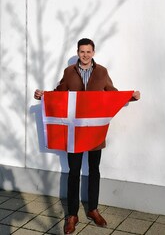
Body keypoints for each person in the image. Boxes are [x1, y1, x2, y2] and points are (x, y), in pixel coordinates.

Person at [34, 38, 140, 234]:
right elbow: (59, 94)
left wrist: (130, 97)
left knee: (94, 170)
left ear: (94, 52)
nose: (85, 55)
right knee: (74, 172)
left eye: (88, 51)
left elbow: (112, 94)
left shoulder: (102, 72)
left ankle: (93, 209)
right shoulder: (68, 72)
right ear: (78, 52)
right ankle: (72, 215)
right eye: (82, 52)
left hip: (94, 132)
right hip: (75, 133)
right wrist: (44, 95)